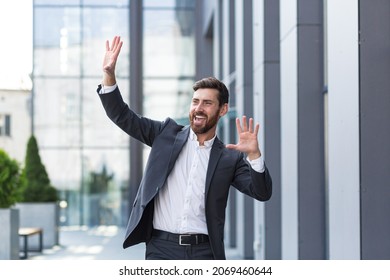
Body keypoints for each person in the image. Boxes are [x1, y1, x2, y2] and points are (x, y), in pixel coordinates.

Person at [97, 36, 272, 260]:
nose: (198, 108)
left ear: (223, 109)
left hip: (204, 252)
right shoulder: (165, 134)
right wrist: (109, 76)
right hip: (161, 248)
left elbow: (262, 192)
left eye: (207, 103)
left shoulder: (230, 158)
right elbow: (121, 115)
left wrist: (254, 156)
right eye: (195, 101)